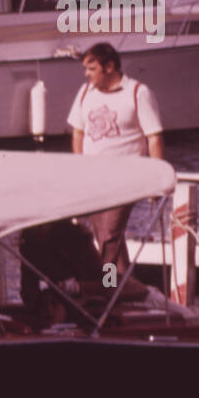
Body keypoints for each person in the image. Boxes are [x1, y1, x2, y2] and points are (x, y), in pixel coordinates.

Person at [67, 42, 163, 276]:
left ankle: (107, 287)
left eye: (91, 69)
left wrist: (156, 178)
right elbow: (78, 132)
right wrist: (79, 168)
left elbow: (154, 137)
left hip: (124, 178)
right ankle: (123, 287)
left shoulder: (137, 92)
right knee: (105, 238)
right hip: (93, 178)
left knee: (109, 234)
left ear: (109, 67)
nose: (86, 74)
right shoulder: (85, 92)